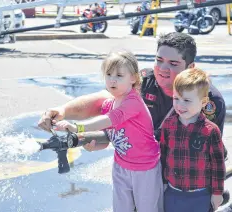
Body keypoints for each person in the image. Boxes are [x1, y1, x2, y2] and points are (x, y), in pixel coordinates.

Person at [38, 32, 230, 210]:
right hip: (138, 165)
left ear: (190, 68)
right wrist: (63, 111)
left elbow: (203, 152)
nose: (163, 69)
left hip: (182, 177)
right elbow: (103, 100)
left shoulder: (208, 99)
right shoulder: (144, 81)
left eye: (173, 63)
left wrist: (213, 193)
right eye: (159, 60)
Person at [54, 50, 163, 212]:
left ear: (133, 78)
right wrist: (93, 145)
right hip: (121, 166)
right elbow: (111, 137)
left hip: (145, 168)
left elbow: (111, 119)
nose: (112, 79)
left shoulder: (133, 102)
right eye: (109, 74)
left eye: (119, 75)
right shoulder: (109, 105)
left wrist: (78, 127)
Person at [160, 68, 225, 212]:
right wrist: (163, 183)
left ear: (203, 102)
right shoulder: (169, 125)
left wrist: (217, 193)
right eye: (176, 98)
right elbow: (163, 155)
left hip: (200, 194)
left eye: (187, 100)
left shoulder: (210, 130)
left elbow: (218, 165)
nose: (180, 105)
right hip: (172, 191)